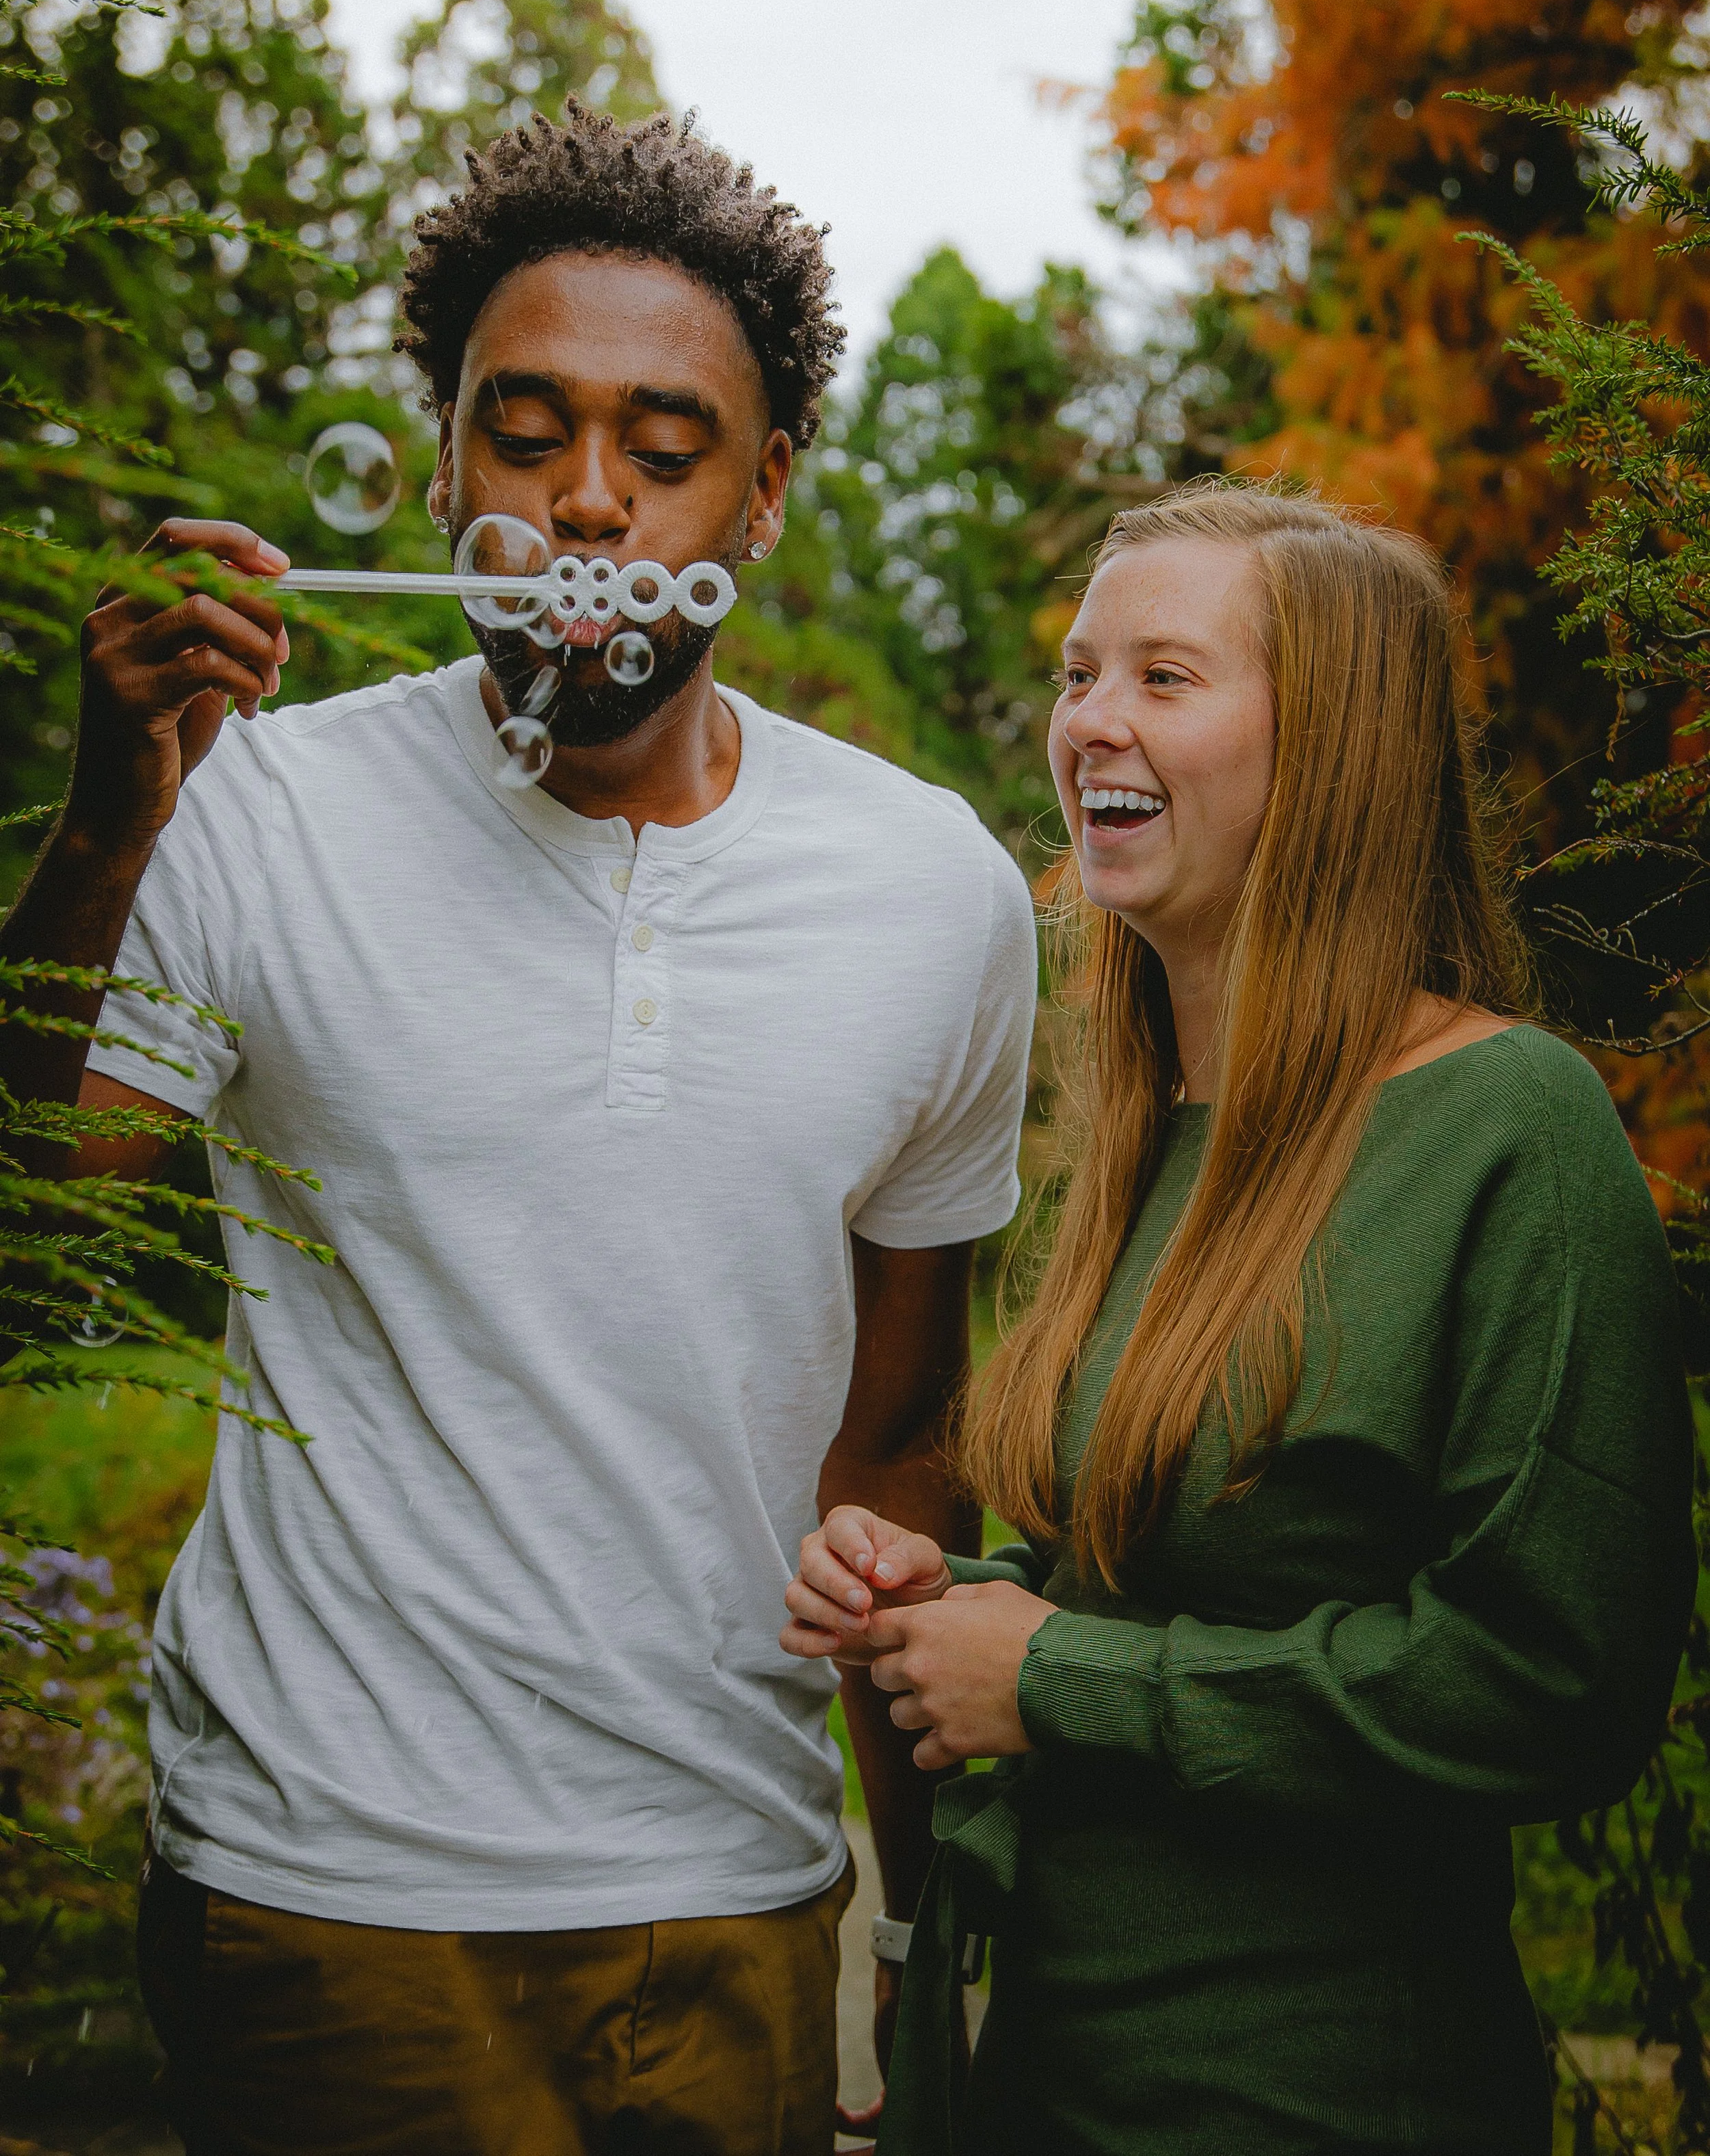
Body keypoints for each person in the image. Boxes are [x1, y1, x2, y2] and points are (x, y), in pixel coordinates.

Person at [4, 105, 1038, 2155]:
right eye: (524, 431)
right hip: (325, 1888)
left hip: (735, 1886)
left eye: (663, 453)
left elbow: (894, 1451)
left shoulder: (933, 893)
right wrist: (112, 813)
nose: (588, 503)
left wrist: (915, 1900)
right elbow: (41, 1222)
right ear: (448, 459)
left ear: (761, 492)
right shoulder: (252, 809)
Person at [783, 479, 1697, 2156]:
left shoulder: (1513, 1129)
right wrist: (956, 1606)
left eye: (1162, 677)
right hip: (1051, 2078)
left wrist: (1058, 1677)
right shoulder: (1137, 1133)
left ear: (1331, 742)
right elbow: (1146, 1588)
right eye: (1077, 674)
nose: (1089, 724)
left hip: (1317, 2099)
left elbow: (1551, 1686)